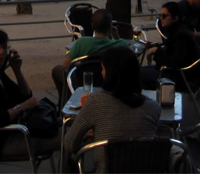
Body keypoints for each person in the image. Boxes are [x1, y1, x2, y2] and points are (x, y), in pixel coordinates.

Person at [0, 29, 60, 159]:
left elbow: (25, 95)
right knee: (69, 138)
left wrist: (17, 70)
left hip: (18, 130)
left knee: (71, 126)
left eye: (4, 48)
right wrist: (22, 107)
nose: (1, 53)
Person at [64, 45, 161, 173]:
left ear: (110, 74)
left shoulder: (96, 102)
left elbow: (69, 143)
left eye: (103, 69)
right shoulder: (154, 108)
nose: (101, 73)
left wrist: (95, 136)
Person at [51, 9, 126, 104]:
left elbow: (65, 65)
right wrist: (117, 36)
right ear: (110, 26)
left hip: (83, 85)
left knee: (57, 70)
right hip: (111, 85)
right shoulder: (120, 44)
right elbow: (128, 60)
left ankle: (66, 102)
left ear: (92, 25)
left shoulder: (82, 43)